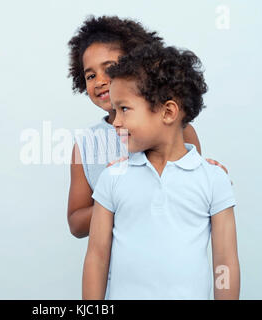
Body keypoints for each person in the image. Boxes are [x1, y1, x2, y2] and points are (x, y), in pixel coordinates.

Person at [67, 15, 230, 299]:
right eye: (90, 75)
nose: (101, 81)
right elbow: (76, 223)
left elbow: (186, 192)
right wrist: (117, 198)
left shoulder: (181, 129)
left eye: (111, 69)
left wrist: (209, 174)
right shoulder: (87, 147)